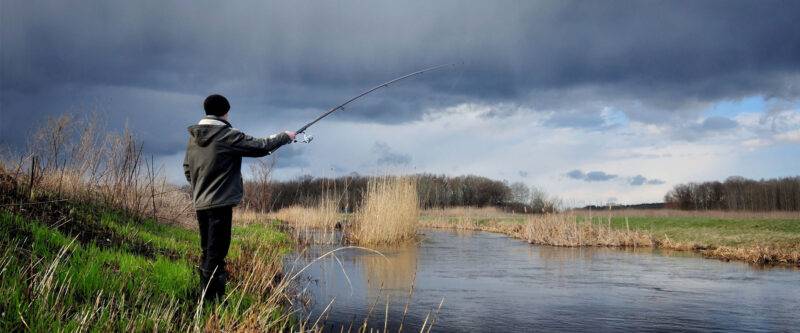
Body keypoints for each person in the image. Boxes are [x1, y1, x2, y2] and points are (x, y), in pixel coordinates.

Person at [183, 94, 296, 302]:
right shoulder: (226, 134)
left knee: (208, 250)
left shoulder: (194, 137)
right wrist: (285, 136)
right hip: (220, 204)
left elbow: (187, 169)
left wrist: (201, 187)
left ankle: (208, 298)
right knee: (217, 254)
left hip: (200, 203)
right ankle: (209, 301)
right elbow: (261, 146)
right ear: (225, 112)